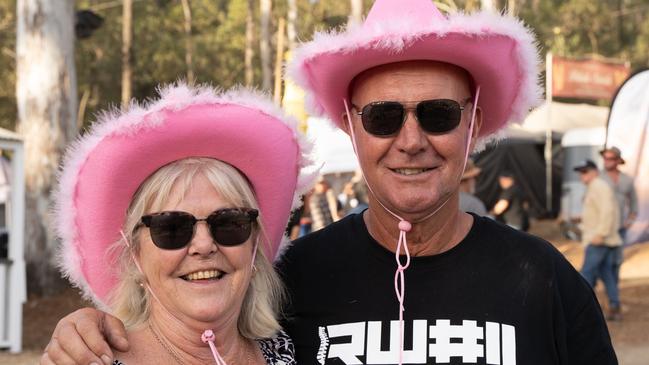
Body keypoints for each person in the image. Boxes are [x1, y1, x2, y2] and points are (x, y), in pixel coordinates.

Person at [44, 1, 617, 364]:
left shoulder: (545, 280)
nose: (411, 140)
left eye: (439, 114)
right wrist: (91, 328)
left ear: (471, 123)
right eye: (383, 117)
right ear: (351, 127)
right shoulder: (293, 279)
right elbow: (187, 309)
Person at [42, 84, 317, 365]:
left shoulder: (287, 348)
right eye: (172, 228)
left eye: (229, 223)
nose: (203, 245)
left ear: (253, 245)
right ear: (135, 255)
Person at [574, 159, 623, 321]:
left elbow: (608, 211)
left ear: (594, 172)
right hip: (601, 237)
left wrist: (601, 233)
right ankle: (615, 306)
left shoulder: (598, 186)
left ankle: (580, 309)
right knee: (607, 274)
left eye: (585, 172)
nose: (583, 176)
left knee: (586, 274)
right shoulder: (596, 186)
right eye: (581, 173)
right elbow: (598, 211)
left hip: (598, 239)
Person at [600, 146, 638, 243]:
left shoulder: (627, 179)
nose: (606, 161)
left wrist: (630, 221)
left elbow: (634, 201)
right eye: (605, 158)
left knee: (617, 258)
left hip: (620, 227)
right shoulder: (597, 178)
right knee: (597, 257)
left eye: (610, 158)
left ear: (618, 160)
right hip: (600, 228)